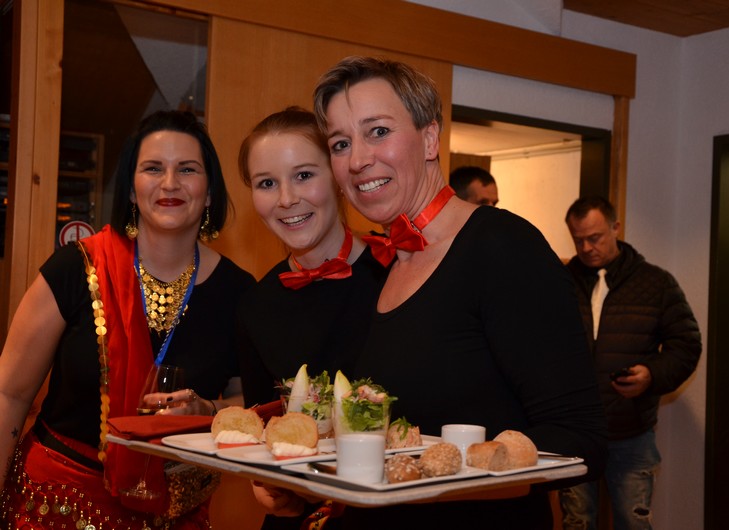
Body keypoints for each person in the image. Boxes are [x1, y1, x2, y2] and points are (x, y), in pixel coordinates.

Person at [306, 55, 605, 529]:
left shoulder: (503, 247)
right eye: (340, 143)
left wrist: (430, 480)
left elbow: (579, 436)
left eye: (378, 131)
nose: (358, 159)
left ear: (430, 139)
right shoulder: (380, 267)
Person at [0, 110, 255, 529]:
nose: (169, 183)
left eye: (187, 169)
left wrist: (207, 409)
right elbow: (9, 394)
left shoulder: (239, 291)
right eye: (153, 168)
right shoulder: (76, 268)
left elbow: (251, 403)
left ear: (209, 192)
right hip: (56, 505)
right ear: (132, 191)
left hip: (175, 513)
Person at [236, 107, 385, 529]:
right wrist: (262, 481)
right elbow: (262, 423)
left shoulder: (397, 272)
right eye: (267, 183)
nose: (286, 199)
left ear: (338, 176)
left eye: (303, 175)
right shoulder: (255, 304)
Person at [560, 195, 702, 530]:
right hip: (575, 431)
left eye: (595, 238)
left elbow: (686, 346)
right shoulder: (561, 282)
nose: (587, 248)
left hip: (631, 431)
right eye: (578, 240)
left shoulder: (656, 283)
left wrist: (651, 375)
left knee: (633, 523)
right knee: (576, 523)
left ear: (616, 228)